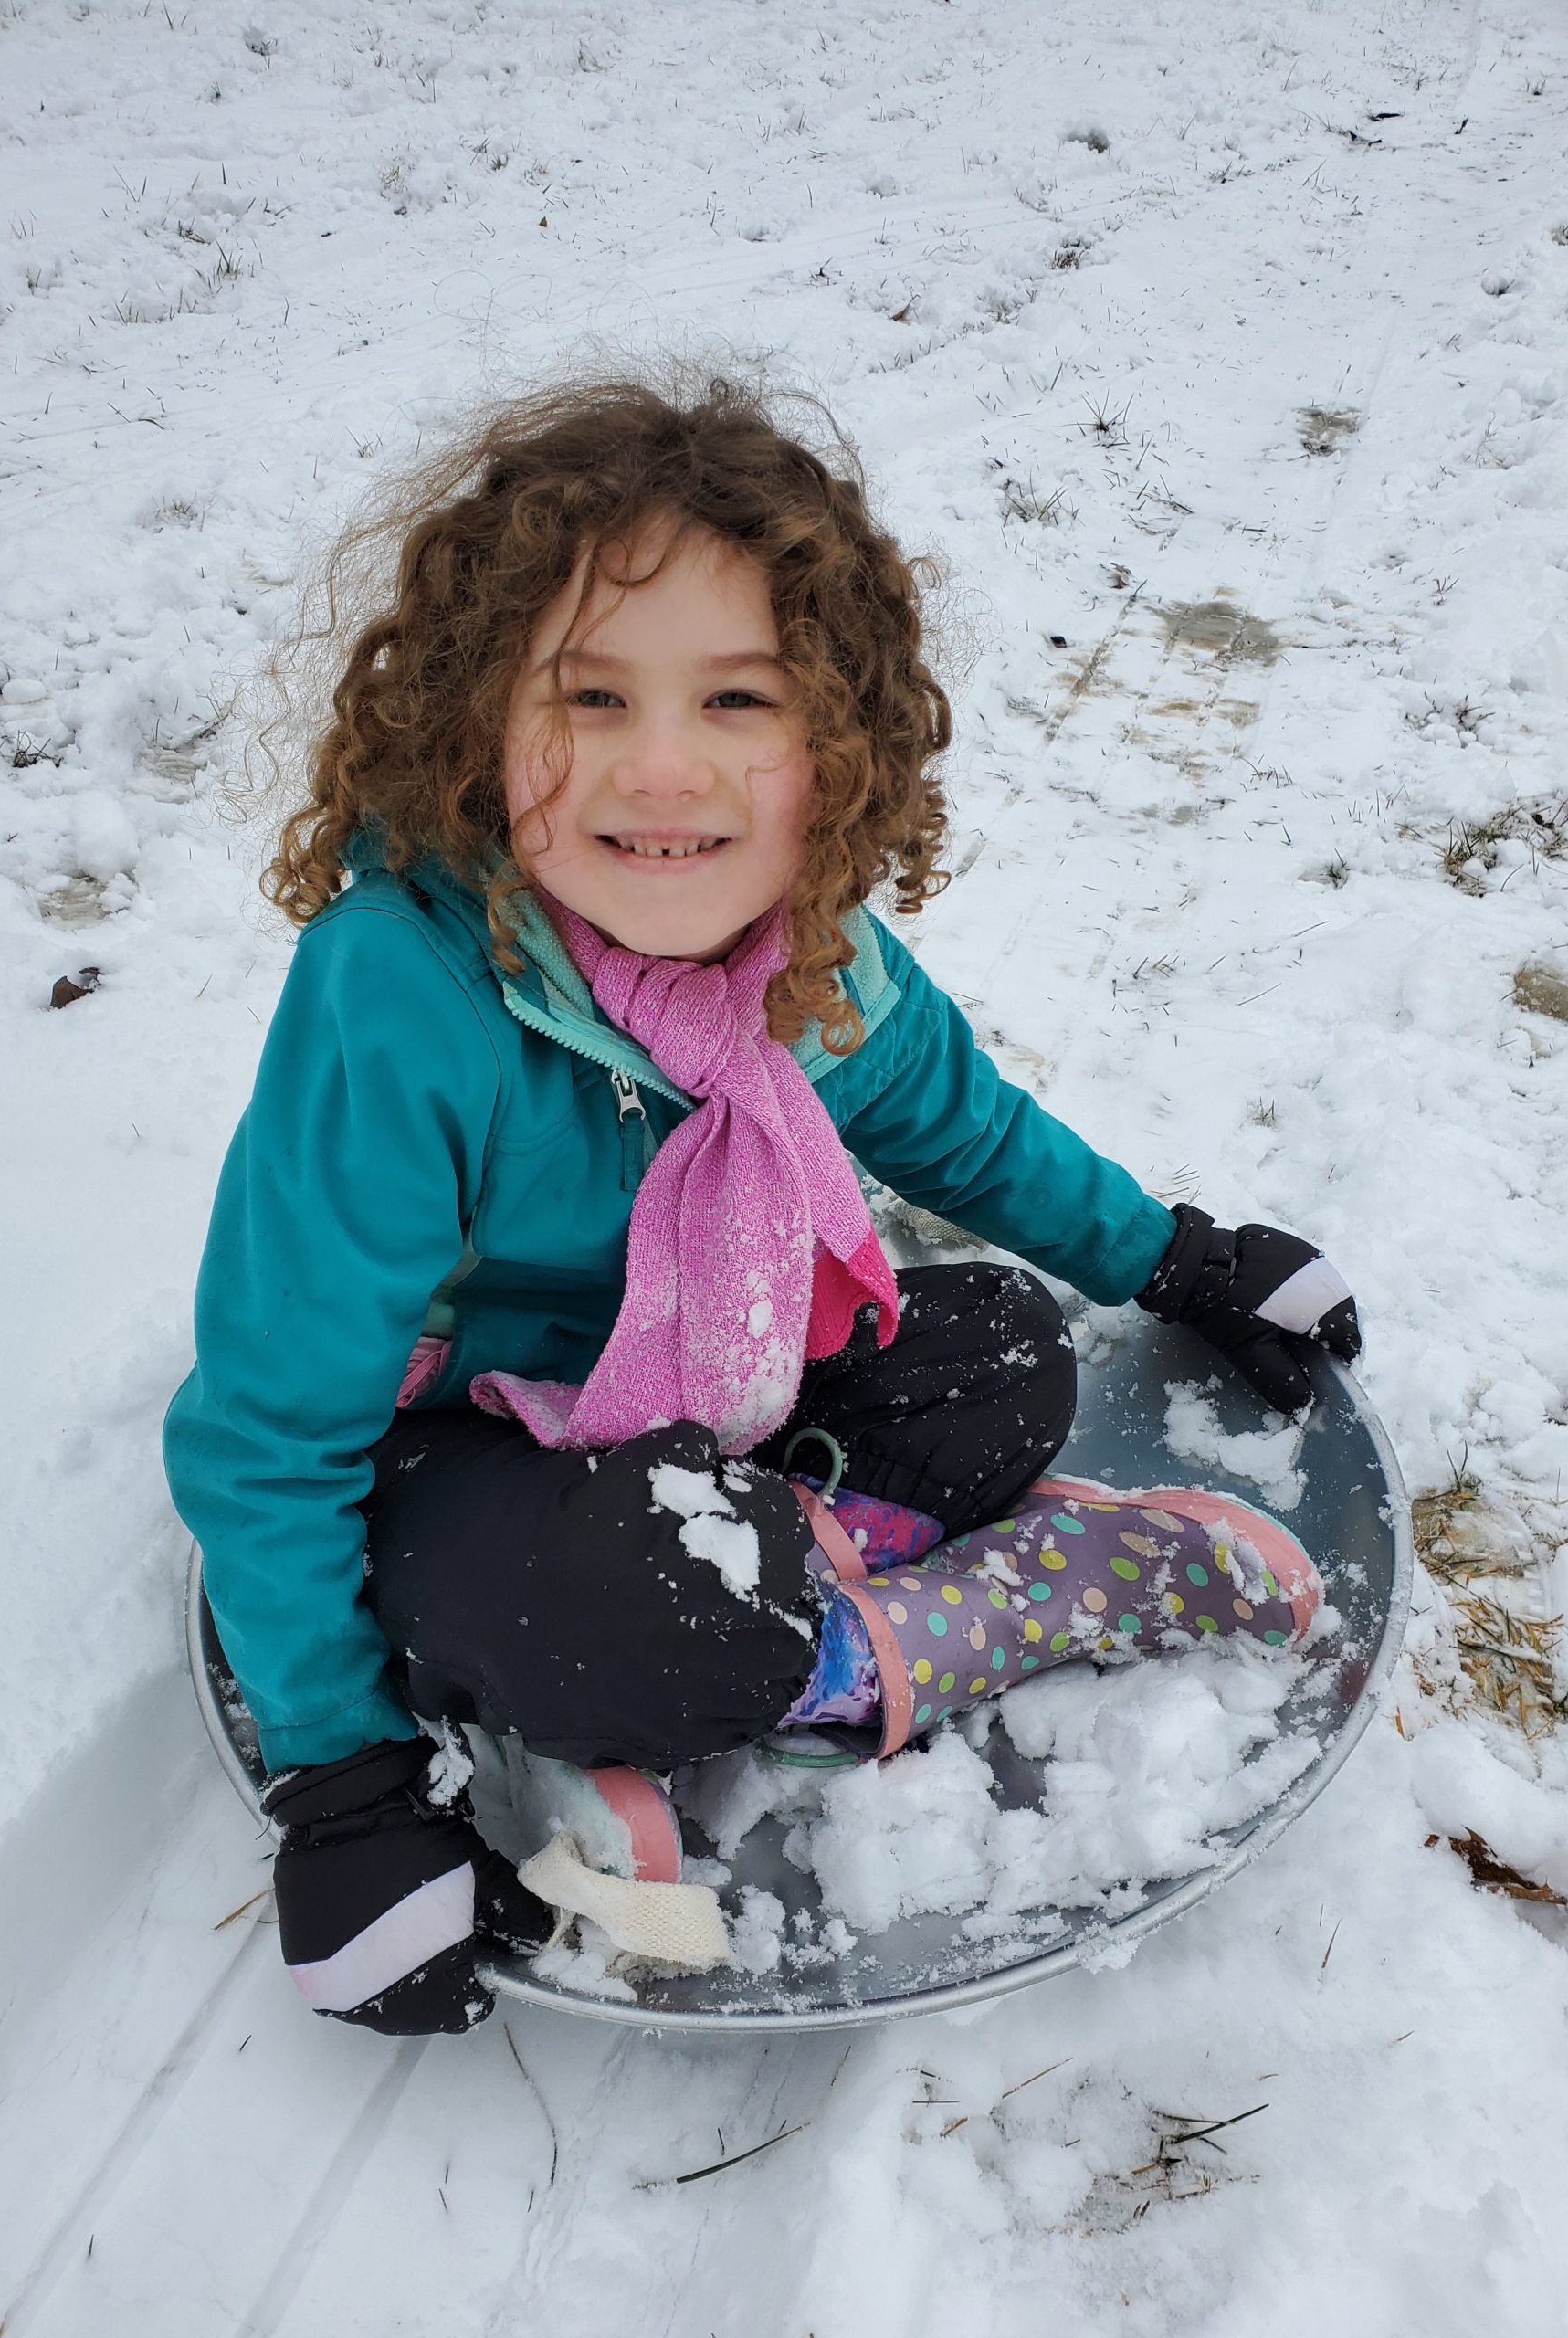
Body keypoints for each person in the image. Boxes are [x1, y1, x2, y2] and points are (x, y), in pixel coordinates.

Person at [163, 375, 1361, 2039]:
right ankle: (821, 1628)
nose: (662, 770)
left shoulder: (806, 954)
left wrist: (1172, 1254)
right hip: (454, 1444)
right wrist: (344, 1780)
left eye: (738, 698)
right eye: (589, 695)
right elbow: (266, 1424)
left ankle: (787, 1581)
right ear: (471, 722)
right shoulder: (403, 995)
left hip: (707, 1388)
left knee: (1006, 1357)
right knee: (658, 1620)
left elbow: (967, 1134)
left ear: (833, 750)